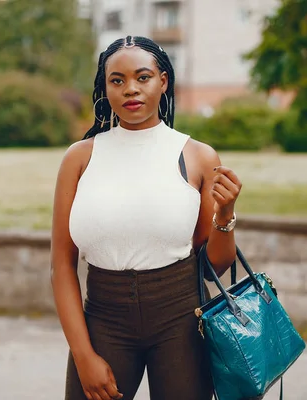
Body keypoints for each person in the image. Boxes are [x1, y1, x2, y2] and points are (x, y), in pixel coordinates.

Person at [51, 35, 242, 400]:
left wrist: (226, 212)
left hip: (181, 321)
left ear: (163, 80)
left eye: (143, 77)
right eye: (117, 80)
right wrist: (83, 355)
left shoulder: (198, 157)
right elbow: (61, 266)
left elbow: (212, 265)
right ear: (104, 88)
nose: (130, 90)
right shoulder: (79, 158)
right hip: (104, 317)